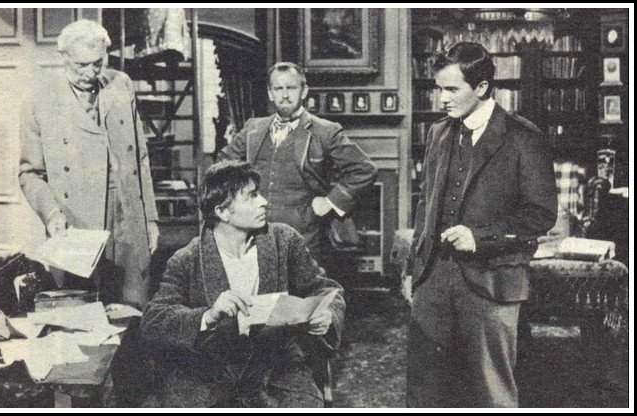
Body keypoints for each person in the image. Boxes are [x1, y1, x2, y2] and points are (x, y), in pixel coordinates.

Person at [406, 42, 557, 408]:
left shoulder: (523, 136)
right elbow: (425, 204)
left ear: (482, 87)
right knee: (426, 391)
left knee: (491, 392)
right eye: (439, 88)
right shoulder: (438, 133)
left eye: (451, 89)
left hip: (493, 280)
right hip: (433, 279)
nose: (442, 98)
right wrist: (414, 270)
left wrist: (479, 237)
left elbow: (540, 214)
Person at [140, 161, 345, 407]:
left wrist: (326, 315)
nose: (264, 202)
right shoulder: (187, 258)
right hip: (208, 375)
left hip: (275, 370)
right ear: (222, 212)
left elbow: (325, 289)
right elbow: (154, 320)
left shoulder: (284, 241)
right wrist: (208, 315)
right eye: (251, 196)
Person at [19, 19, 159, 309]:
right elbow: (30, 174)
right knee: (82, 316)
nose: (90, 72)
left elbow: (140, 158)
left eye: (97, 63)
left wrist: (150, 219)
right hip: (76, 224)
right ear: (64, 57)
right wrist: (51, 214)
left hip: (127, 217)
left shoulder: (121, 84)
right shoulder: (39, 99)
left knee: (133, 309)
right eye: (81, 65)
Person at [218, 62, 377, 262]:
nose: (284, 95)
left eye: (291, 88)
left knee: (300, 283)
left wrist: (330, 202)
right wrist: (238, 204)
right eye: (278, 89)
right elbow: (222, 166)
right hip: (255, 236)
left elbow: (364, 169)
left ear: (304, 91)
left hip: (305, 237)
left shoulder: (325, 131)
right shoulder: (253, 129)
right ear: (270, 93)